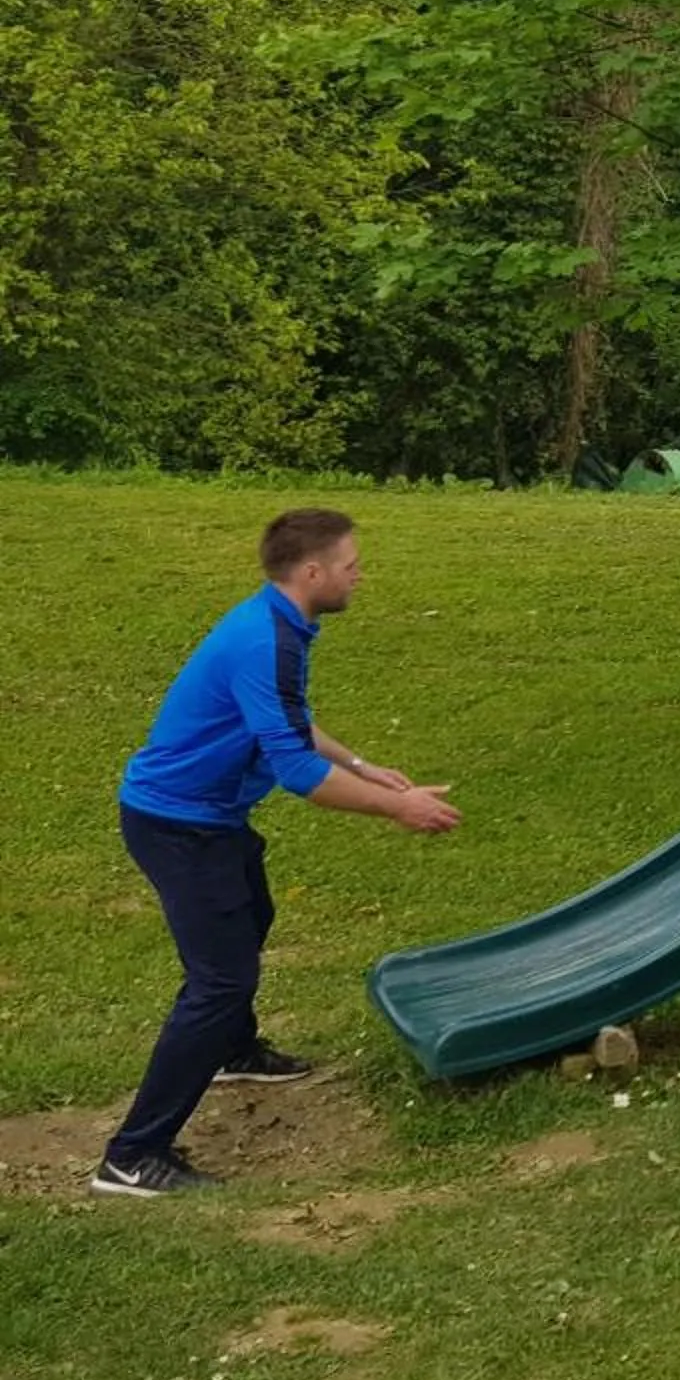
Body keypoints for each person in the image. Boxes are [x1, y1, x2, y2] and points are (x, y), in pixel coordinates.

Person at [93, 509, 462, 1199]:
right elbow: (295, 772)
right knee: (220, 980)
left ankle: (232, 1051)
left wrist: (363, 763)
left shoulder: (279, 625)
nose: (360, 576)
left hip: (209, 817)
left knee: (252, 914)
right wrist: (396, 807)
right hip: (176, 824)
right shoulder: (263, 637)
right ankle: (132, 1155)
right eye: (352, 566)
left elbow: (285, 721)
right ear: (313, 572)